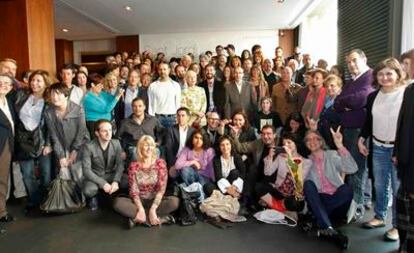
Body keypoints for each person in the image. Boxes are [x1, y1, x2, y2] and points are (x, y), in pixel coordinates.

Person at [358, 58, 407, 241]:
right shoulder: (373, 96)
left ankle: (396, 226)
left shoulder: (406, 95)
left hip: (398, 149)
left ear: (397, 74)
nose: (385, 77)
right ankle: (379, 216)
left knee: (397, 189)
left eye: (389, 73)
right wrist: (362, 139)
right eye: (380, 74)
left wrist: (400, 152)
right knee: (379, 185)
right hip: (377, 146)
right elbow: (369, 121)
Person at [334, 49, 375, 220]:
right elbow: (337, 102)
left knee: (358, 168)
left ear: (364, 59)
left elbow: (362, 99)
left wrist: (347, 102)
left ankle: (357, 205)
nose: (351, 64)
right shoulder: (353, 81)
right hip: (349, 129)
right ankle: (359, 200)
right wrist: (346, 102)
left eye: (354, 60)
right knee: (352, 166)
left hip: (360, 130)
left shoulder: (371, 76)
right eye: (348, 62)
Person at [303, 129, 358, 250]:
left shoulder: (332, 155)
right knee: (308, 184)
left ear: (321, 141)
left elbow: (352, 168)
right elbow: (302, 187)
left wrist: (340, 146)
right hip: (320, 199)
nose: (312, 141)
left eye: (315, 138)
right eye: (308, 139)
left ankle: (318, 217)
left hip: (337, 202)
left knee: (347, 189)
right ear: (305, 144)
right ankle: (331, 231)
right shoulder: (305, 162)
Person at [113, 135, 179, 228]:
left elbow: (161, 189)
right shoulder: (134, 166)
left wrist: (153, 208)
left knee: (174, 202)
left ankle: (139, 219)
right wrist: (140, 208)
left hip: (156, 200)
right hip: (138, 201)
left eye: (151, 145)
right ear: (140, 148)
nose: (149, 148)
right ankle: (157, 218)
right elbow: (134, 191)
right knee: (118, 203)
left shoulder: (160, 163)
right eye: (146, 145)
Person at [14, 70, 53, 212]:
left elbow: (51, 125)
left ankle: (46, 200)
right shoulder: (21, 95)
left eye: (38, 81)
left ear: (45, 83)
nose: (34, 83)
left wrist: (49, 143)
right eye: (33, 80)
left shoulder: (49, 100)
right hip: (23, 140)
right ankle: (35, 201)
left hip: (42, 141)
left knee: (46, 175)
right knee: (27, 174)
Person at [256, 132, 311, 213]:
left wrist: (290, 158)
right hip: (279, 191)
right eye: (284, 143)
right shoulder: (280, 157)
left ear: (296, 144)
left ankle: (274, 205)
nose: (286, 145)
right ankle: (281, 208)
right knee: (259, 187)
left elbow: (298, 180)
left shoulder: (306, 162)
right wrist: (270, 157)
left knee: (295, 203)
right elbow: (268, 173)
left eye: (289, 142)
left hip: (294, 194)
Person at [44, 83, 89, 183]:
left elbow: (81, 133)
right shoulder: (48, 112)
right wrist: (61, 156)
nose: (55, 97)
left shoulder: (78, 109)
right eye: (52, 94)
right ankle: (68, 198)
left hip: (80, 145)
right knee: (64, 175)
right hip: (62, 147)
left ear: (66, 95)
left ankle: (83, 197)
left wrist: (74, 150)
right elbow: (54, 136)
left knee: (78, 174)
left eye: (58, 94)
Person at [82, 119, 126, 210]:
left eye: (110, 130)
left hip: (111, 174)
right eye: (104, 131)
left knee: (129, 181)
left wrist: (116, 181)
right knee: (88, 190)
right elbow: (86, 171)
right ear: (97, 133)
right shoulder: (88, 147)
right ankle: (94, 198)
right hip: (96, 175)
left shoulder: (116, 143)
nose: (108, 133)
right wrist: (103, 183)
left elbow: (120, 165)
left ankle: (116, 195)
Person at [394, 57, 414, 253]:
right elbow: (402, 126)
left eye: (407, 64)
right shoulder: (409, 90)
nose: (403, 69)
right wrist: (398, 152)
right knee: (403, 208)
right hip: (405, 162)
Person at [116, 97, 164, 162]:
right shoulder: (125, 122)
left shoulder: (153, 120)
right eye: (135, 106)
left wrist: (158, 142)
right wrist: (122, 150)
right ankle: (137, 171)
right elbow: (118, 138)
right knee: (134, 153)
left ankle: (153, 171)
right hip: (134, 147)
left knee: (156, 151)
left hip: (150, 146)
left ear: (144, 107)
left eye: (140, 106)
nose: (137, 109)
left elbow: (161, 132)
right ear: (132, 108)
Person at [203, 136, 246, 201]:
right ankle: (231, 196)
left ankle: (224, 197)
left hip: (235, 185)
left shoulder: (237, 157)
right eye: (222, 145)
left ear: (231, 145)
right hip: (222, 185)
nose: (225, 147)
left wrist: (234, 187)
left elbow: (243, 173)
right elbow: (218, 177)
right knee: (207, 186)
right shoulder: (216, 159)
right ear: (219, 147)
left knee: (235, 172)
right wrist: (230, 191)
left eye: (227, 144)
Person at [0, 74, 16, 227]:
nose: (3, 85)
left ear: (11, 88)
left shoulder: (8, 101)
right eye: (0, 83)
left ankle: (1, 211)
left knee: (2, 180)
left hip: (6, 146)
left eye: (6, 83)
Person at [148, 62, 181, 128]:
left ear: (169, 70)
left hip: (172, 118)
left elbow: (178, 103)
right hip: (157, 118)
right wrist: (152, 119)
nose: (162, 71)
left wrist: (178, 118)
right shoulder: (152, 86)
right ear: (158, 71)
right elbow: (150, 104)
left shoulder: (175, 85)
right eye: (160, 69)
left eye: (164, 69)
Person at [314, 74, 343, 149]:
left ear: (339, 87)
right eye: (327, 86)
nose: (329, 88)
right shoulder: (327, 101)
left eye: (332, 85)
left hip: (336, 142)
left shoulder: (342, 102)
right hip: (325, 140)